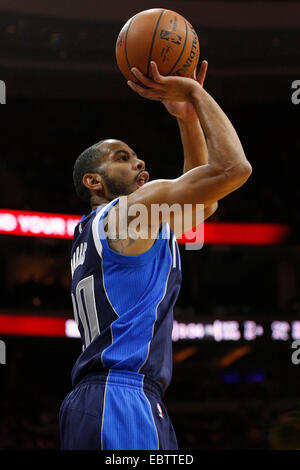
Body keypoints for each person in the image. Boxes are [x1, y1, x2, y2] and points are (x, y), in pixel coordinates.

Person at [59, 61, 252, 450]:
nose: (139, 161)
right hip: (119, 397)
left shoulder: (116, 228)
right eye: (122, 157)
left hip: (115, 397)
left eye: (136, 155)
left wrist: (186, 118)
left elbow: (205, 200)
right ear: (93, 181)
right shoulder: (130, 212)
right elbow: (233, 168)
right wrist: (196, 94)